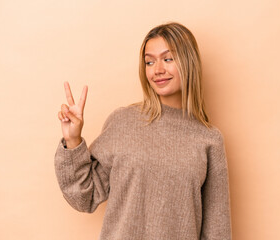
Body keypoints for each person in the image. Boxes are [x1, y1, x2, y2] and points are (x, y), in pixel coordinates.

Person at [54, 22, 232, 240]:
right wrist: (72, 140)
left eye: (168, 59)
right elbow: (85, 196)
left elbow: (217, 230)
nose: (157, 70)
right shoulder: (123, 122)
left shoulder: (209, 140)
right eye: (149, 62)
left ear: (189, 62)